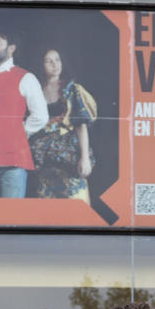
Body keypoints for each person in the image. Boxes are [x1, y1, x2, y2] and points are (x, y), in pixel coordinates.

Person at [0, 29, 47, 198]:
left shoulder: (26, 77)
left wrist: (19, 134)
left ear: (11, 48)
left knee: (11, 218)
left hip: (13, 161)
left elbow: (41, 116)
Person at [32, 49, 96, 202]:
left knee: (75, 205)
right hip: (45, 159)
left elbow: (81, 125)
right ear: (41, 65)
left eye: (57, 59)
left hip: (69, 156)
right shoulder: (35, 90)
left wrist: (85, 157)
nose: (55, 64)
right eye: (49, 61)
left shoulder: (72, 89)